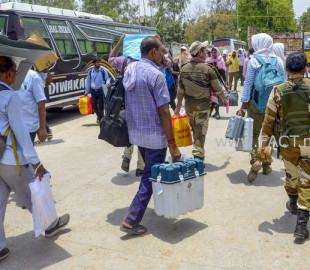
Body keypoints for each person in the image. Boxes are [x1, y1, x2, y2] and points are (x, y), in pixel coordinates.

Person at [0, 56, 70, 262]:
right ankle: (50, 225)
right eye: (14, 71)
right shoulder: (9, 96)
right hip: (13, 160)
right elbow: (21, 134)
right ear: (9, 73)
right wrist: (36, 162)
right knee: (35, 196)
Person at [120, 37, 181, 235]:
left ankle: (156, 205)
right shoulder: (156, 76)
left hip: (137, 133)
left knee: (150, 173)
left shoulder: (131, 68)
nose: (164, 55)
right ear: (153, 52)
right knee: (149, 177)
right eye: (161, 51)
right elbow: (164, 112)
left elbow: (145, 84)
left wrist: (162, 67)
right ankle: (132, 218)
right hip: (154, 136)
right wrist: (173, 145)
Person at [261, 52, 310, 244]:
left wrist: (263, 146)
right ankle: (301, 226)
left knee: (292, 175)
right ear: (305, 68)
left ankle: (293, 202)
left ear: (287, 70)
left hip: (287, 143)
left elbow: (268, 121)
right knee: (307, 181)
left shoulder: (277, 91)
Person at [237, 33, 285, 183]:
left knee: (252, 134)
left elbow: (248, 86)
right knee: (267, 135)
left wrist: (243, 107)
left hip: (255, 104)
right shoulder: (278, 61)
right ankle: (266, 164)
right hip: (273, 105)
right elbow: (282, 85)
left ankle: (254, 161)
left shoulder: (253, 62)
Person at [174, 41, 228, 161]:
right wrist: (224, 99)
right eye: (205, 50)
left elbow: (180, 91)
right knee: (200, 134)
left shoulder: (183, 69)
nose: (207, 53)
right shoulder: (207, 69)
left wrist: (178, 108)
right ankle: (198, 158)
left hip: (189, 107)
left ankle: (197, 154)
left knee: (195, 131)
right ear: (200, 52)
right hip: (203, 107)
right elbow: (218, 89)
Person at [109, 34, 145, 177]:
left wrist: (120, 41)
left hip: (126, 104)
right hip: (142, 104)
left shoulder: (124, 61)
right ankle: (141, 167)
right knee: (141, 135)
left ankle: (126, 156)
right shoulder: (145, 62)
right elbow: (165, 62)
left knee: (130, 131)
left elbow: (111, 58)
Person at [19, 69, 48, 145]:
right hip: (10, 127)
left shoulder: (33, 76)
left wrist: (42, 128)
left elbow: (41, 102)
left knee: (25, 155)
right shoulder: (6, 74)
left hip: (28, 127)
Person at [85, 58, 110, 124]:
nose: (100, 63)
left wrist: (107, 83)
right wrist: (86, 92)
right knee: (94, 106)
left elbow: (107, 79)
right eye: (98, 62)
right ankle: (100, 117)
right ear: (93, 64)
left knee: (101, 106)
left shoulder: (102, 71)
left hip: (101, 90)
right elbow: (88, 82)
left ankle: (100, 118)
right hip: (93, 91)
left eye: (100, 62)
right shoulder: (90, 72)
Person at [206, 47, 227, 119]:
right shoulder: (208, 61)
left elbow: (223, 74)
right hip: (209, 82)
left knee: (216, 97)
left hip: (217, 82)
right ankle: (214, 112)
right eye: (212, 52)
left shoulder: (220, 60)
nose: (213, 54)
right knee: (211, 98)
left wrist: (225, 83)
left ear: (217, 52)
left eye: (215, 52)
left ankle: (217, 112)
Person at [39, 64, 53, 141]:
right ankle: (47, 130)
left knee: (40, 113)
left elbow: (50, 80)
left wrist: (47, 70)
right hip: (30, 98)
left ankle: (47, 130)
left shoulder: (41, 74)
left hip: (40, 97)